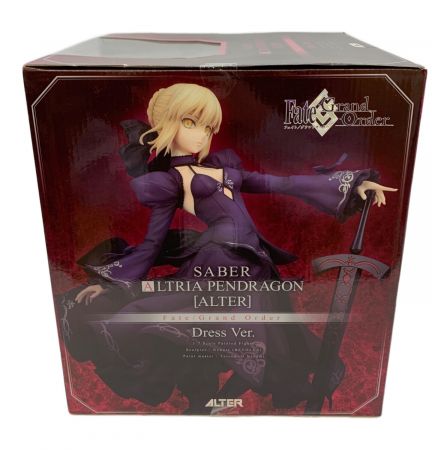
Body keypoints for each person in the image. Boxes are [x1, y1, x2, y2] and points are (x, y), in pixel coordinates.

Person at [58, 83, 397, 414]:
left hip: (254, 266)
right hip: (218, 266)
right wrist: (109, 282)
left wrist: (353, 183)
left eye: (208, 126)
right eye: (191, 122)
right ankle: (203, 403)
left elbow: (283, 183)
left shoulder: (223, 169)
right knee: (206, 331)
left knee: (267, 342)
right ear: (167, 124)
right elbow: (152, 243)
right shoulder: (169, 182)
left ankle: (208, 406)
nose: (201, 134)